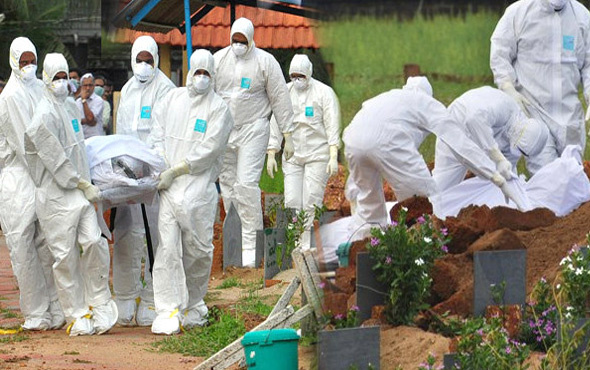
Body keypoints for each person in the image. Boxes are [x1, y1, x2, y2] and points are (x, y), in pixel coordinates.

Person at [343, 77, 525, 235]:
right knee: (424, 202)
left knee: (370, 210)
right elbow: (459, 141)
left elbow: (364, 142)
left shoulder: (386, 98)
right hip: (388, 142)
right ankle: (427, 255)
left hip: (352, 140)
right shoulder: (423, 103)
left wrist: (353, 192)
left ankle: (361, 254)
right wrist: (495, 177)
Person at [24, 53, 118, 336]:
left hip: (79, 192)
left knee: (93, 243)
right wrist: (80, 183)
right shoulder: (42, 117)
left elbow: (79, 148)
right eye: (57, 78)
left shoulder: (70, 107)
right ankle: (76, 313)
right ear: (46, 80)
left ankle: (99, 302)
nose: (63, 83)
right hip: (55, 196)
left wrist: (88, 181)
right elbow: (56, 162)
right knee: (64, 256)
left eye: (66, 77)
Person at [147, 49, 233, 335]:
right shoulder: (172, 100)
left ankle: (194, 302)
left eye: (206, 73)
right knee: (168, 249)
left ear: (213, 76)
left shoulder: (219, 109)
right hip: (170, 189)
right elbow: (156, 132)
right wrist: (162, 164)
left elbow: (211, 149)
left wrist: (179, 169)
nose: (201, 78)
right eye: (197, 72)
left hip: (198, 190)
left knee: (199, 251)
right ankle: (168, 308)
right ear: (189, 73)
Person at [214, 17, 295, 267]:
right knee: (227, 185)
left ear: (250, 39)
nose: (238, 45)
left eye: (242, 41)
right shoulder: (218, 60)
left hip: (254, 128)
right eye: (234, 40)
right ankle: (234, 240)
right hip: (225, 130)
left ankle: (252, 245)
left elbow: (280, 97)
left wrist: (287, 134)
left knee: (246, 185)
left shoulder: (265, 62)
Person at [0, 37, 64, 331]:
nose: (28, 67)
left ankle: (55, 307)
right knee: (22, 242)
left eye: (32, 61)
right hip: (18, 176)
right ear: (13, 62)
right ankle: (36, 312)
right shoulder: (10, 96)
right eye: (23, 62)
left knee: (45, 242)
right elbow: (24, 142)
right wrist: (53, 171)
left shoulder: (40, 88)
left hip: (41, 174)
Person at [113, 35, 175, 326]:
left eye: (148, 60)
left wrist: (150, 167)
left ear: (156, 60)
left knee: (156, 236)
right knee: (126, 234)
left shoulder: (167, 91)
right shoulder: (126, 91)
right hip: (127, 178)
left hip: (153, 176)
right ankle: (125, 296)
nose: (143, 65)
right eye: (139, 60)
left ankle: (152, 298)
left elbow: (166, 136)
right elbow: (121, 133)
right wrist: (123, 168)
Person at [490, 0, 590, 174]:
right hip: (534, 113)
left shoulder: (582, 17)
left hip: (570, 119)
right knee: (546, 177)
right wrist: (508, 87)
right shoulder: (519, 12)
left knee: (573, 178)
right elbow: (500, 52)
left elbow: (589, 64)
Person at [267, 54, 340, 249]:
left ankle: (307, 243)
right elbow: (277, 121)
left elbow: (332, 124)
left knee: (311, 199)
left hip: (318, 154)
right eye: (294, 76)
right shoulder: (285, 93)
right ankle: (293, 240)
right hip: (292, 154)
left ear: (309, 74)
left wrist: (333, 155)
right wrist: (272, 152)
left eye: (301, 76)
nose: (297, 80)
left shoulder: (324, 93)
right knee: (292, 199)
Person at [433, 86, 549, 191]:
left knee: (492, 190)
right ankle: (425, 210)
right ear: (520, 136)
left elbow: (507, 171)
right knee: (441, 189)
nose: (519, 153)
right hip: (456, 125)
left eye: (523, 153)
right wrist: (495, 155)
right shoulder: (504, 107)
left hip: (478, 140)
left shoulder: (516, 139)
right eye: (521, 150)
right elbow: (473, 119)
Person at [76, 73, 104, 138]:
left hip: (96, 138)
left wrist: (84, 100)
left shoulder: (98, 100)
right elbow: (75, 121)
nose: (88, 88)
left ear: (94, 86)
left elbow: (90, 118)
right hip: (82, 138)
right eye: (85, 85)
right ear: (81, 87)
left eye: (90, 85)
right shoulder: (77, 102)